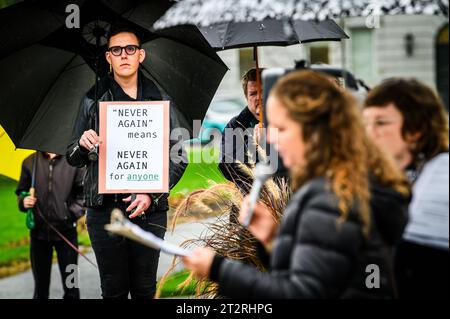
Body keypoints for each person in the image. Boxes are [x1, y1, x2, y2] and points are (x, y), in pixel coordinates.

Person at [182, 70, 411, 299]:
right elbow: (320, 271)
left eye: (281, 129)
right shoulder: (336, 181)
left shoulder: (330, 197)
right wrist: (272, 240)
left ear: (313, 131)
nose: (270, 140)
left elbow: (300, 292)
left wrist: (219, 269)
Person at [66, 24, 187, 299]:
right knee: (113, 290)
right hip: (104, 211)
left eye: (130, 49)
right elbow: (72, 156)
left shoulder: (161, 99)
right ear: (108, 57)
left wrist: (151, 192)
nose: (124, 55)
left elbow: (179, 155)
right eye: (116, 50)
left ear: (140, 55)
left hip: (150, 210)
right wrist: (83, 146)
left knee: (145, 289)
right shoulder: (92, 100)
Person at [363, 78, 449, 298]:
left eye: (381, 123)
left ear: (415, 129)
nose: (370, 133)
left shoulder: (441, 173)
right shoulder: (382, 175)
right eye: (365, 124)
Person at [16, 152, 85, 299]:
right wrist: (24, 201)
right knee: (40, 288)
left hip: (67, 234)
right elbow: (21, 191)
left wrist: (69, 214)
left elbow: (83, 195)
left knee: (72, 285)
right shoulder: (29, 162)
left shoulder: (74, 162)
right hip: (38, 235)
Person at [219, 68, 263, 194]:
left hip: (285, 202)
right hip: (248, 199)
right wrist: (258, 149)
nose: (259, 97)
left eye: (263, 91)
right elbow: (226, 166)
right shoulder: (235, 125)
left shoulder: (287, 122)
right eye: (253, 93)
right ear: (246, 97)